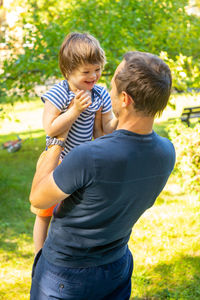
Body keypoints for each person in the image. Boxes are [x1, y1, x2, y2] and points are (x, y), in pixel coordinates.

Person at [29, 51, 176, 300]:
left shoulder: (90, 156)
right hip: (117, 266)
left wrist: (56, 140)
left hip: (67, 276)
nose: (105, 91)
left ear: (125, 99)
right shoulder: (166, 152)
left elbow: (38, 200)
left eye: (111, 87)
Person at [31, 32, 118, 254]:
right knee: (45, 213)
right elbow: (50, 128)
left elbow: (107, 127)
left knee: (72, 210)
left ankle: (68, 248)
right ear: (68, 71)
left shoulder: (100, 93)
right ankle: (39, 254)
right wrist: (74, 110)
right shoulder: (60, 93)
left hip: (81, 163)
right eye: (86, 72)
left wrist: (121, 116)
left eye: (98, 69)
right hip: (56, 160)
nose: (94, 76)